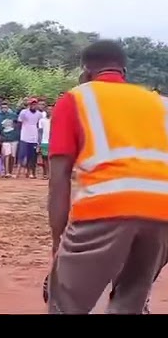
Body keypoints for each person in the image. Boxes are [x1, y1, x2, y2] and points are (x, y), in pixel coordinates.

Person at [47, 40, 168, 314]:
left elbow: (59, 178)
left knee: (65, 302)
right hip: (164, 210)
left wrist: (58, 241)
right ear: (124, 70)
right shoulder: (159, 103)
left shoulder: (77, 98)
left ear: (86, 71)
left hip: (107, 204)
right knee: (131, 298)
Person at [16, 98, 42, 179]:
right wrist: (20, 134)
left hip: (34, 137)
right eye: (32, 104)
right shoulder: (24, 112)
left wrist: (38, 138)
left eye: (35, 104)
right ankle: (18, 172)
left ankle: (31, 172)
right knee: (22, 155)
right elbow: (19, 123)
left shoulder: (39, 114)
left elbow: (39, 125)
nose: (33, 106)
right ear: (29, 105)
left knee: (33, 156)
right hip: (24, 136)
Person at [0, 102, 19, 176]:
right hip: (5, 138)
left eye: (5, 107)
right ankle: (6, 172)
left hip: (14, 138)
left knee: (13, 156)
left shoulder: (13, 115)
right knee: (7, 155)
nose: (4, 109)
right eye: (3, 107)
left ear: (8, 108)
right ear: (0, 108)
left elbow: (18, 124)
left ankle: (10, 171)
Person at [38, 106, 52, 179]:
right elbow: (40, 132)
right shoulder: (42, 120)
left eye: (51, 109)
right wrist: (39, 142)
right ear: (45, 111)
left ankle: (51, 174)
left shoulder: (55, 120)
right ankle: (45, 173)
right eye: (48, 109)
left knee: (51, 158)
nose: (49, 111)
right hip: (44, 141)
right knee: (44, 158)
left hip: (53, 141)